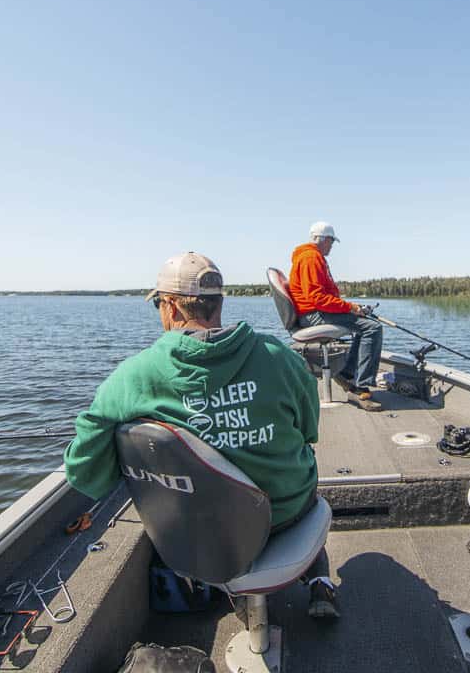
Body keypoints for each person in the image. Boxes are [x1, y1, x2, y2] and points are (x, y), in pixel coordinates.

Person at [63, 251, 338, 617]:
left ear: (173, 308)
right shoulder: (279, 356)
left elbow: (83, 469)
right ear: (218, 303)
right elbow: (309, 430)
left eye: (159, 304)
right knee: (307, 469)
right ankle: (319, 579)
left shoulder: (133, 376)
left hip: (200, 532)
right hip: (285, 513)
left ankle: (240, 598)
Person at [288, 221, 384, 408]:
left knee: (364, 325)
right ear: (322, 239)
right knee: (373, 328)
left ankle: (347, 373)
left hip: (315, 311)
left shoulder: (312, 257)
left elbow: (323, 297)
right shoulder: (310, 258)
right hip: (313, 314)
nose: (332, 245)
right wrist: (350, 307)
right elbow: (317, 298)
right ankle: (360, 387)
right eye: (331, 241)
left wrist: (352, 308)